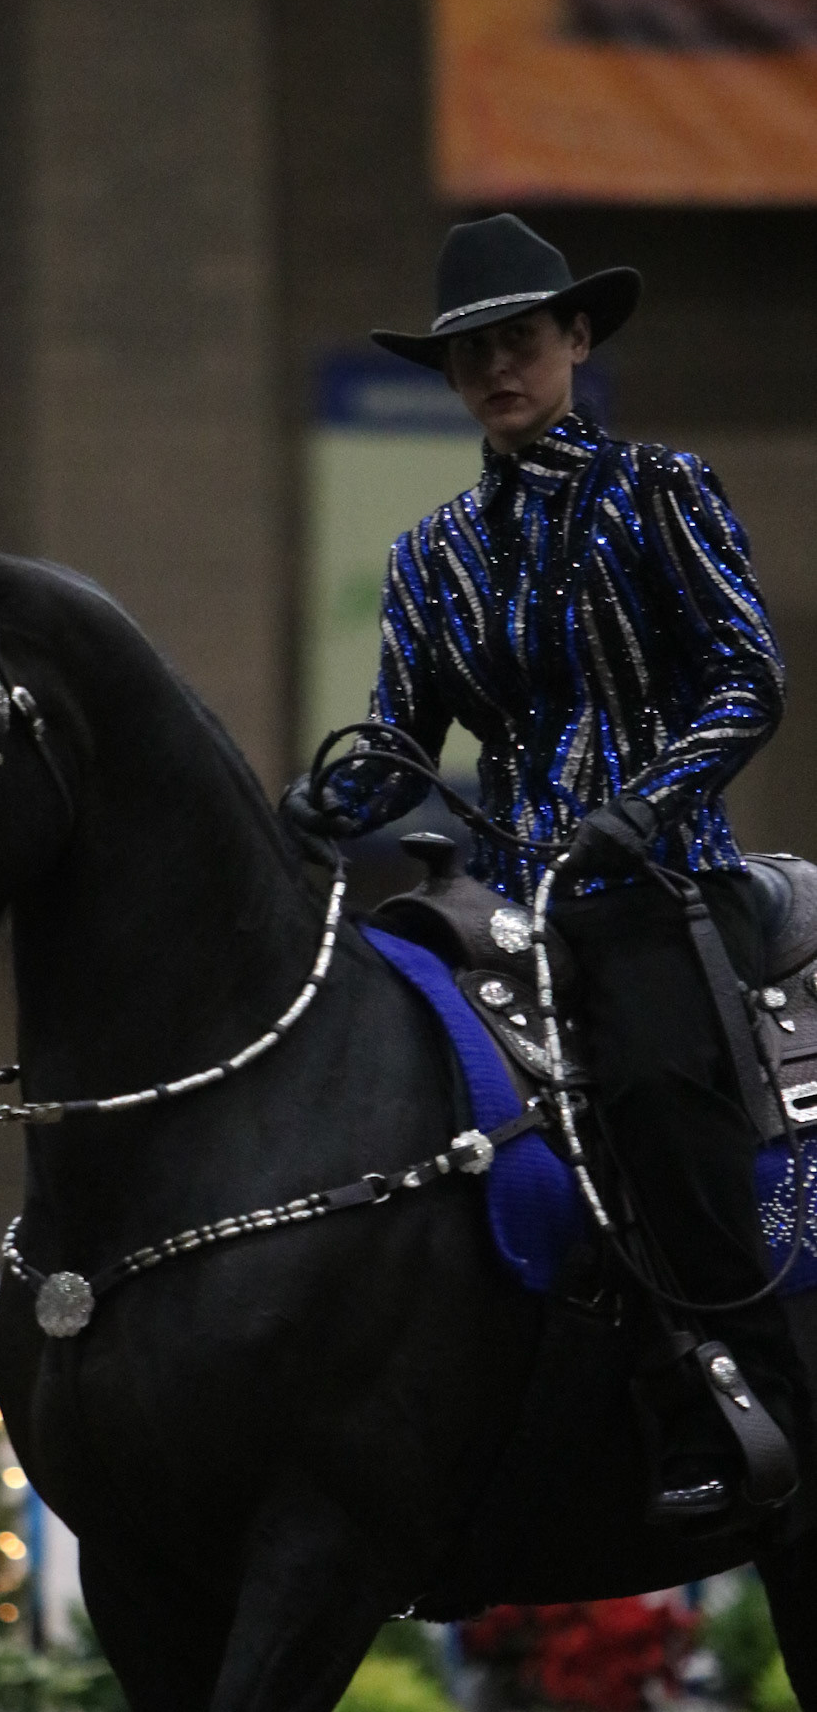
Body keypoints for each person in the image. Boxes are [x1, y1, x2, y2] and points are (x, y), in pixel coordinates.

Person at [283, 212, 803, 1524]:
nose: (496, 369)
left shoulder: (660, 491)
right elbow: (402, 743)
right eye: (470, 354)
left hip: (658, 887)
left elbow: (747, 679)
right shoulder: (430, 554)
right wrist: (304, 809)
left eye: (518, 340)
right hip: (507, 900)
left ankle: (752, 1394)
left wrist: (647, 804)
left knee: (650, 1088)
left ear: (575, 338)